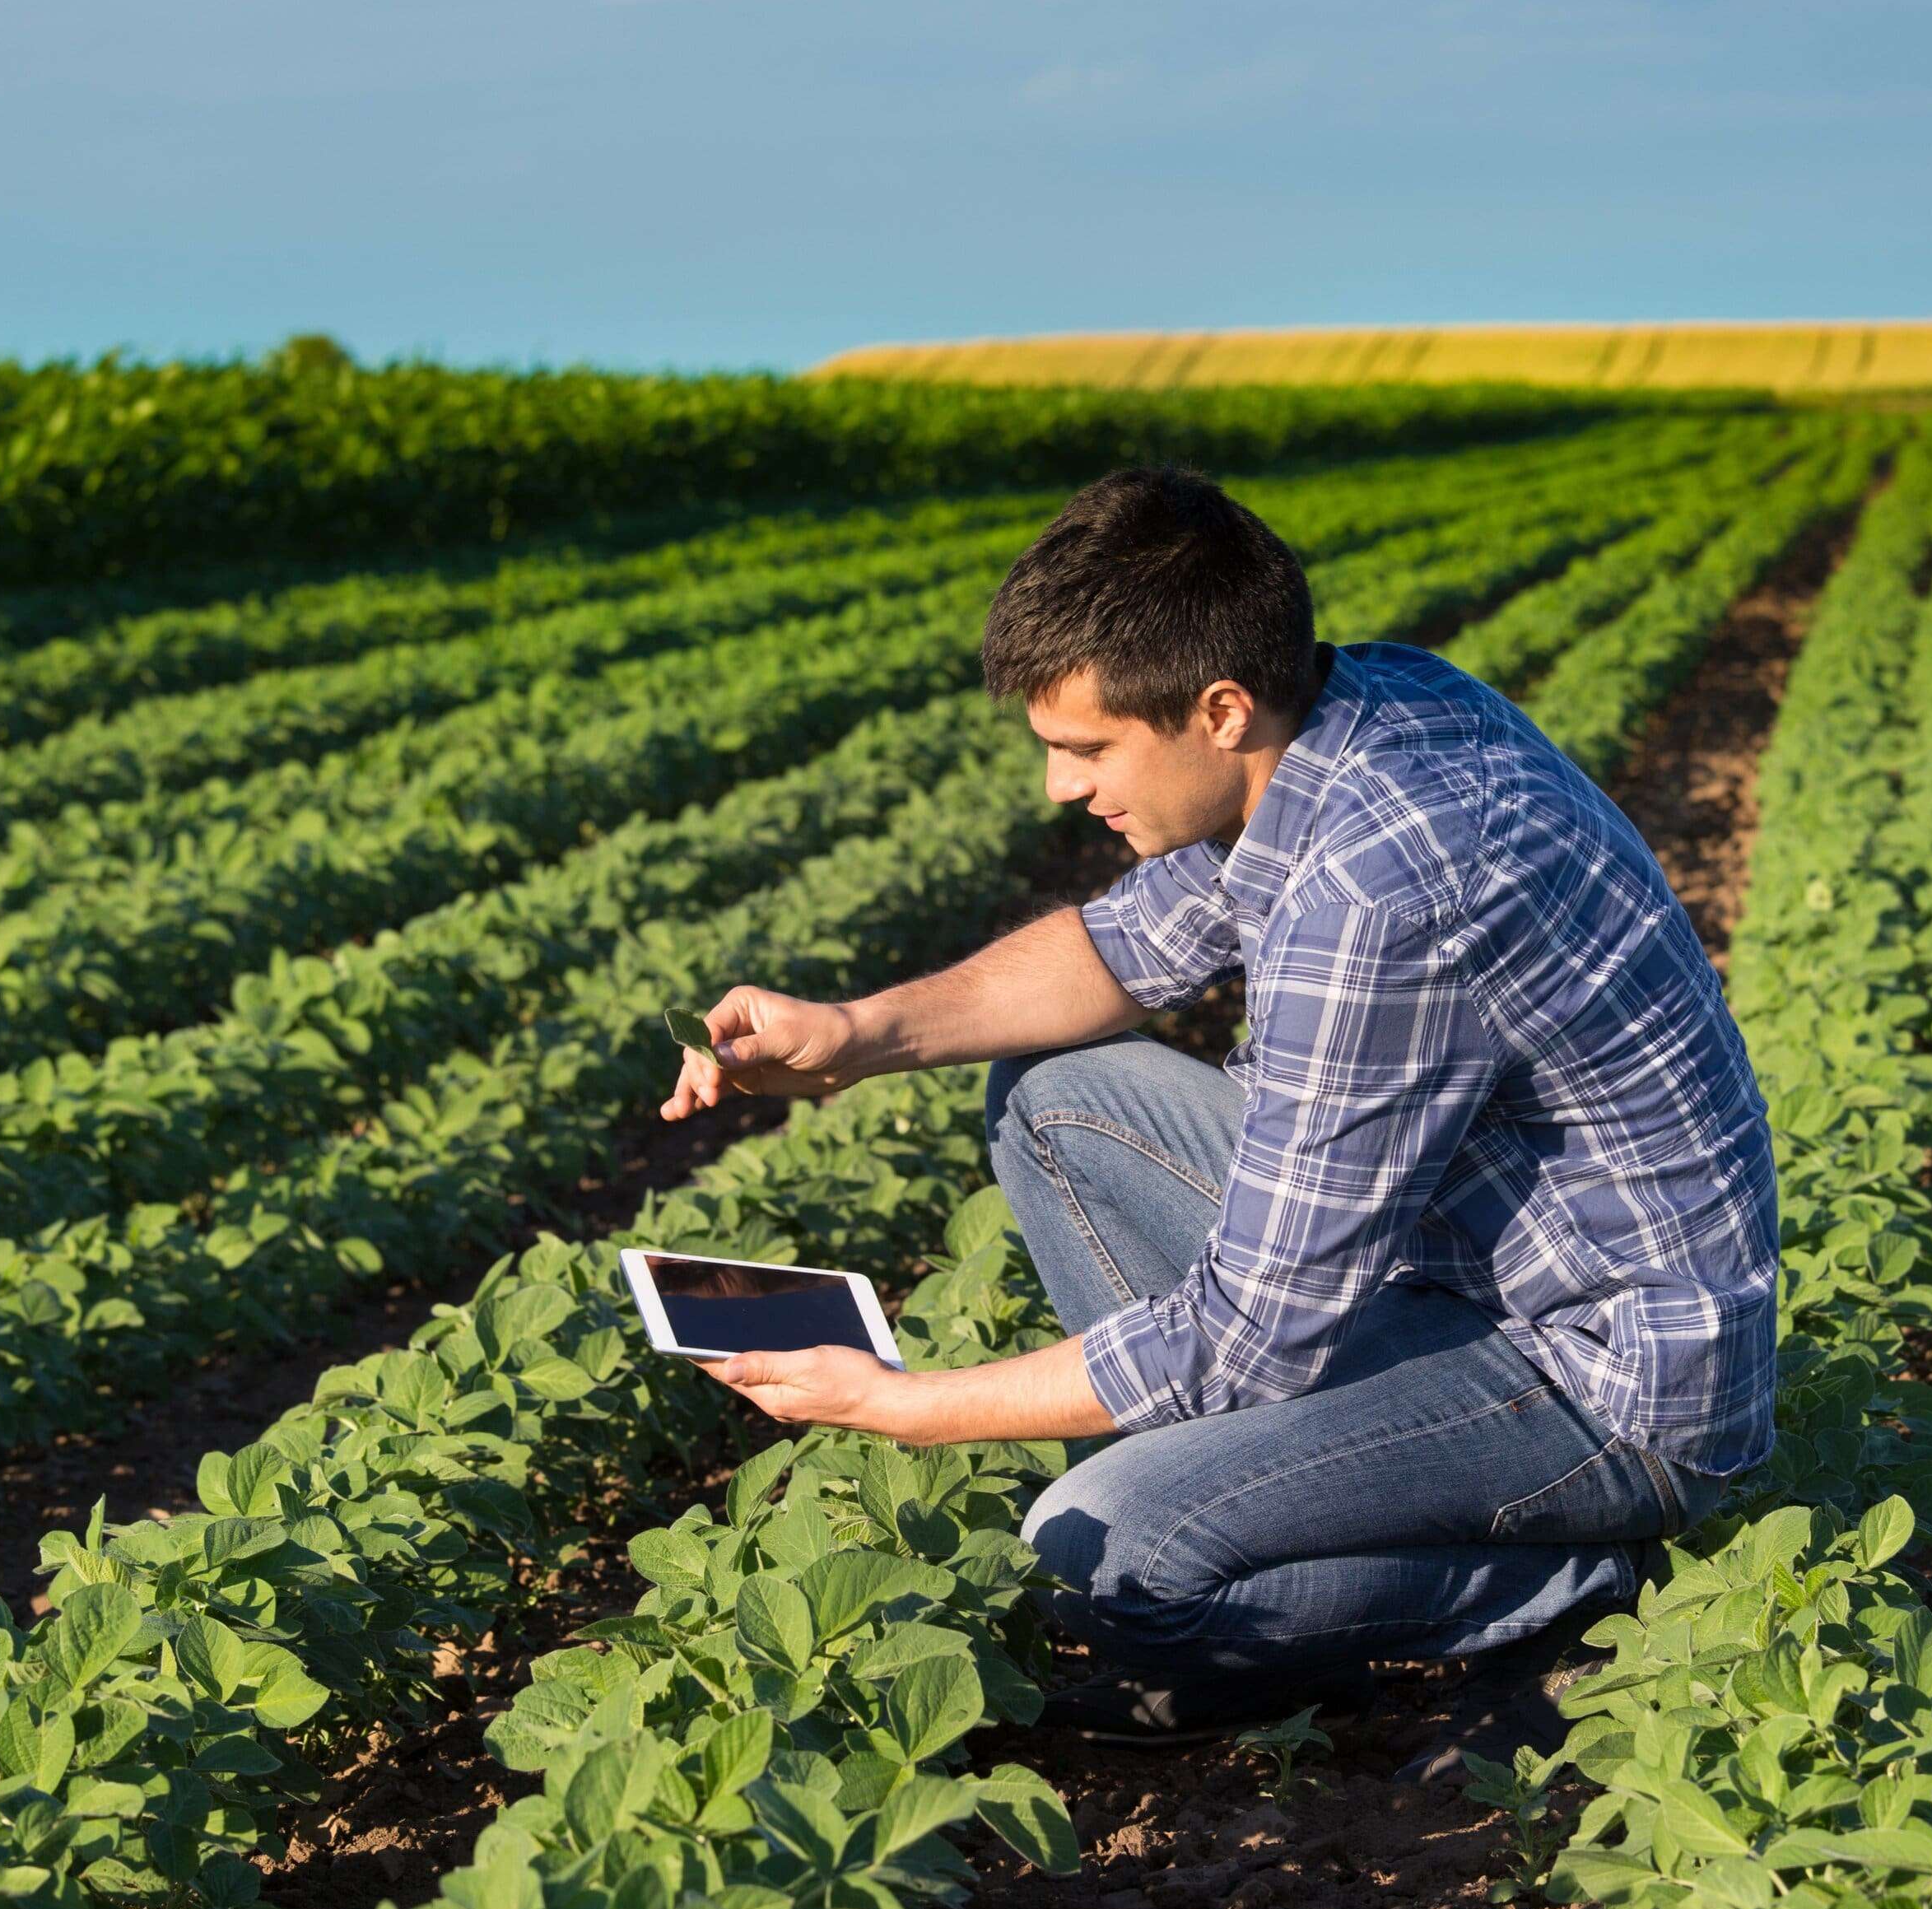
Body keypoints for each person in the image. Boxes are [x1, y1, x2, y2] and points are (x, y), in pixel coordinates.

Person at [657, 464, 1776, 1777]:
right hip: (1451, 1272)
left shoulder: (1385, 886)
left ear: (1219, 707)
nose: (1062, 790)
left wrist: (907, 1407)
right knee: (1058, 1097)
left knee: (1107, 1554)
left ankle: (1561, 1586)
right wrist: (851, 1037)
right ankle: (1265, 1496)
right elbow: (1126, 952)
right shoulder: (1364, 701)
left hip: (1604, 1381)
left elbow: (1251, 1339)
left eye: (1086, 751)